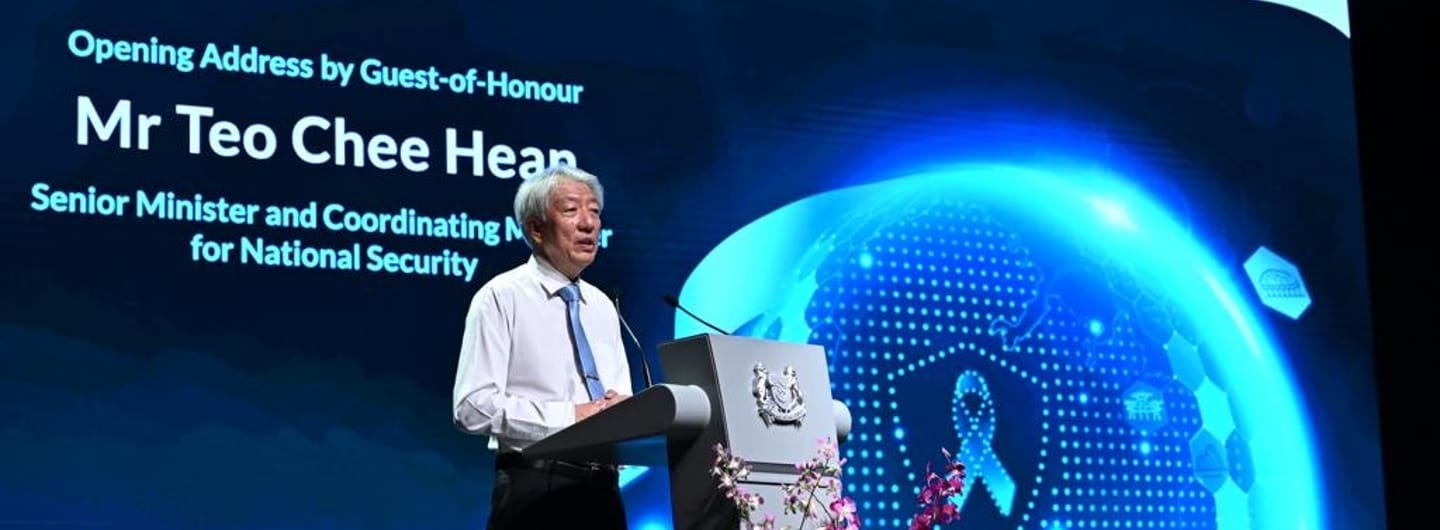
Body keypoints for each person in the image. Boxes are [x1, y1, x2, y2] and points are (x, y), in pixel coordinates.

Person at [452, 164, 632, 530]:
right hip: (536, 490)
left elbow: (619, 400)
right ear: (535, 228)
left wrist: (630, 416)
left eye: (595, 211)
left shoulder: (601, 305)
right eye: (571, 210)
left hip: (605, 493)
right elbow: (471, 407)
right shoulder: (501, 297)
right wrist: (570, 417)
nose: (589, 224)